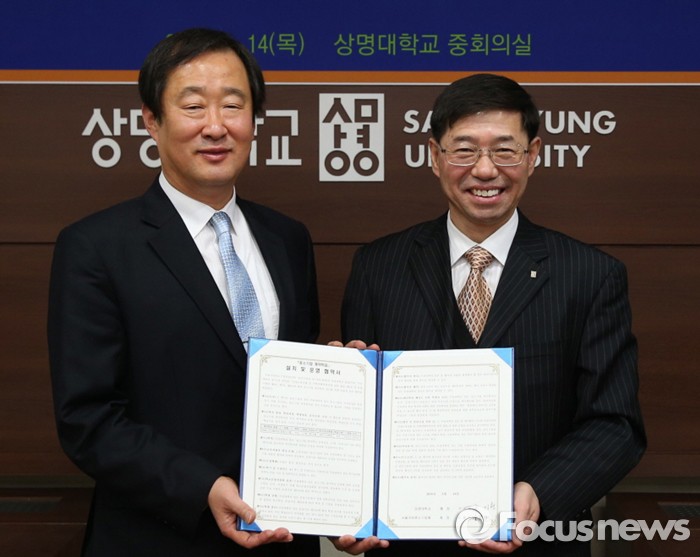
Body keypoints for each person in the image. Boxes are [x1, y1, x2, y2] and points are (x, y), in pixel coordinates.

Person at [337, 73, 645, 556]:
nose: (484, 170)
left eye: (505, 151)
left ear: (533, 155)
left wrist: (539, 492)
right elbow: (362, 421)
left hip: (539, 543)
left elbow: (615, 424)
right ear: (435, 156)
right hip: (411, 545)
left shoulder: (590, 275)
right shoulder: (378, 267)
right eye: (464, 150)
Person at [47, 28, 320, 557]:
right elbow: (87, 419)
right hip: (159, 537)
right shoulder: (96, 247)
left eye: (233, 105)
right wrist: (202, 487)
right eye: (193, 106)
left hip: (281, 536)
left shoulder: (286, 238)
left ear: (254, 120)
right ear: (152, 120)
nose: (216, 126)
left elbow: (290, 377)